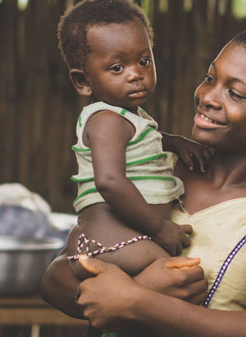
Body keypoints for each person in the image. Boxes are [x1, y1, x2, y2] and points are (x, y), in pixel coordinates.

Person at [41, 26, 246, 337]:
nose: (207, 97)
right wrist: (135, 291)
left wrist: (138, 301)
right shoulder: (154, 168)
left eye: (234, 93)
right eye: (210, 78)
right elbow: (56, 276)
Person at [57, 0, 212, 281]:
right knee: (179, 277)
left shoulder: (126, 117)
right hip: (114, 240)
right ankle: (101, 273)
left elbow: (143, 140)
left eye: (144, 61)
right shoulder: (106, 120)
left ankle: (102, 275)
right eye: (117, 67)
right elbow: (109, 181)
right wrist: (159, 228)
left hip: (121, 238)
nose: (135, 74)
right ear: (83, 82)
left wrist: (175, 142)